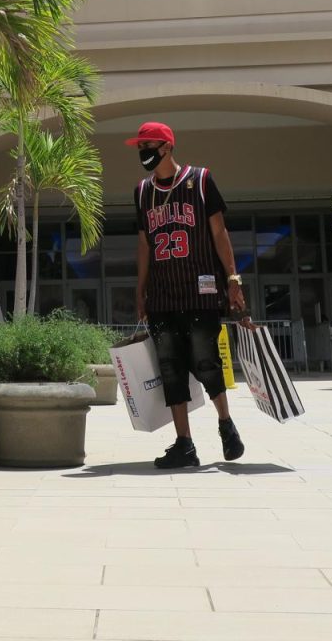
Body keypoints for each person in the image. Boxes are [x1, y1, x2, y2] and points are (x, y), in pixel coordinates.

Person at [126, 121, 250, 469]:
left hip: (202, 288)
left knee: (206, 359)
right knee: (170, 369)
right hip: (163, 294)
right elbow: (143, 245)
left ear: (166, 146)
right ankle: (185, 443)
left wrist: (233, 278)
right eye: (140, 147)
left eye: (148, 145)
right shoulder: (141, 192)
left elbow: (219, 232)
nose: (143, 153)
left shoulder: (201, 180)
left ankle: (226, 424)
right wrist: (140, 291)